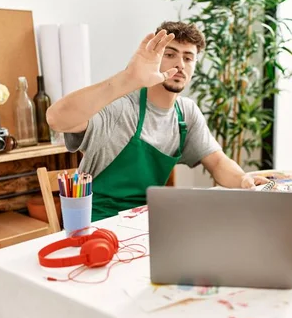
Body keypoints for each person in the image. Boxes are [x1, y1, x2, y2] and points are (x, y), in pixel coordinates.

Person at [47, 21, 267, 221]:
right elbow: (56, 119)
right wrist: (129, 78)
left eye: (188, 58)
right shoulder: (122, 107)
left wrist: (243, 180)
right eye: (170, 54)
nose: (180, 64)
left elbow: (217, 162)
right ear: (155, 57)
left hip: (145, 222)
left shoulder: (186, 113)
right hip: (98, 223)